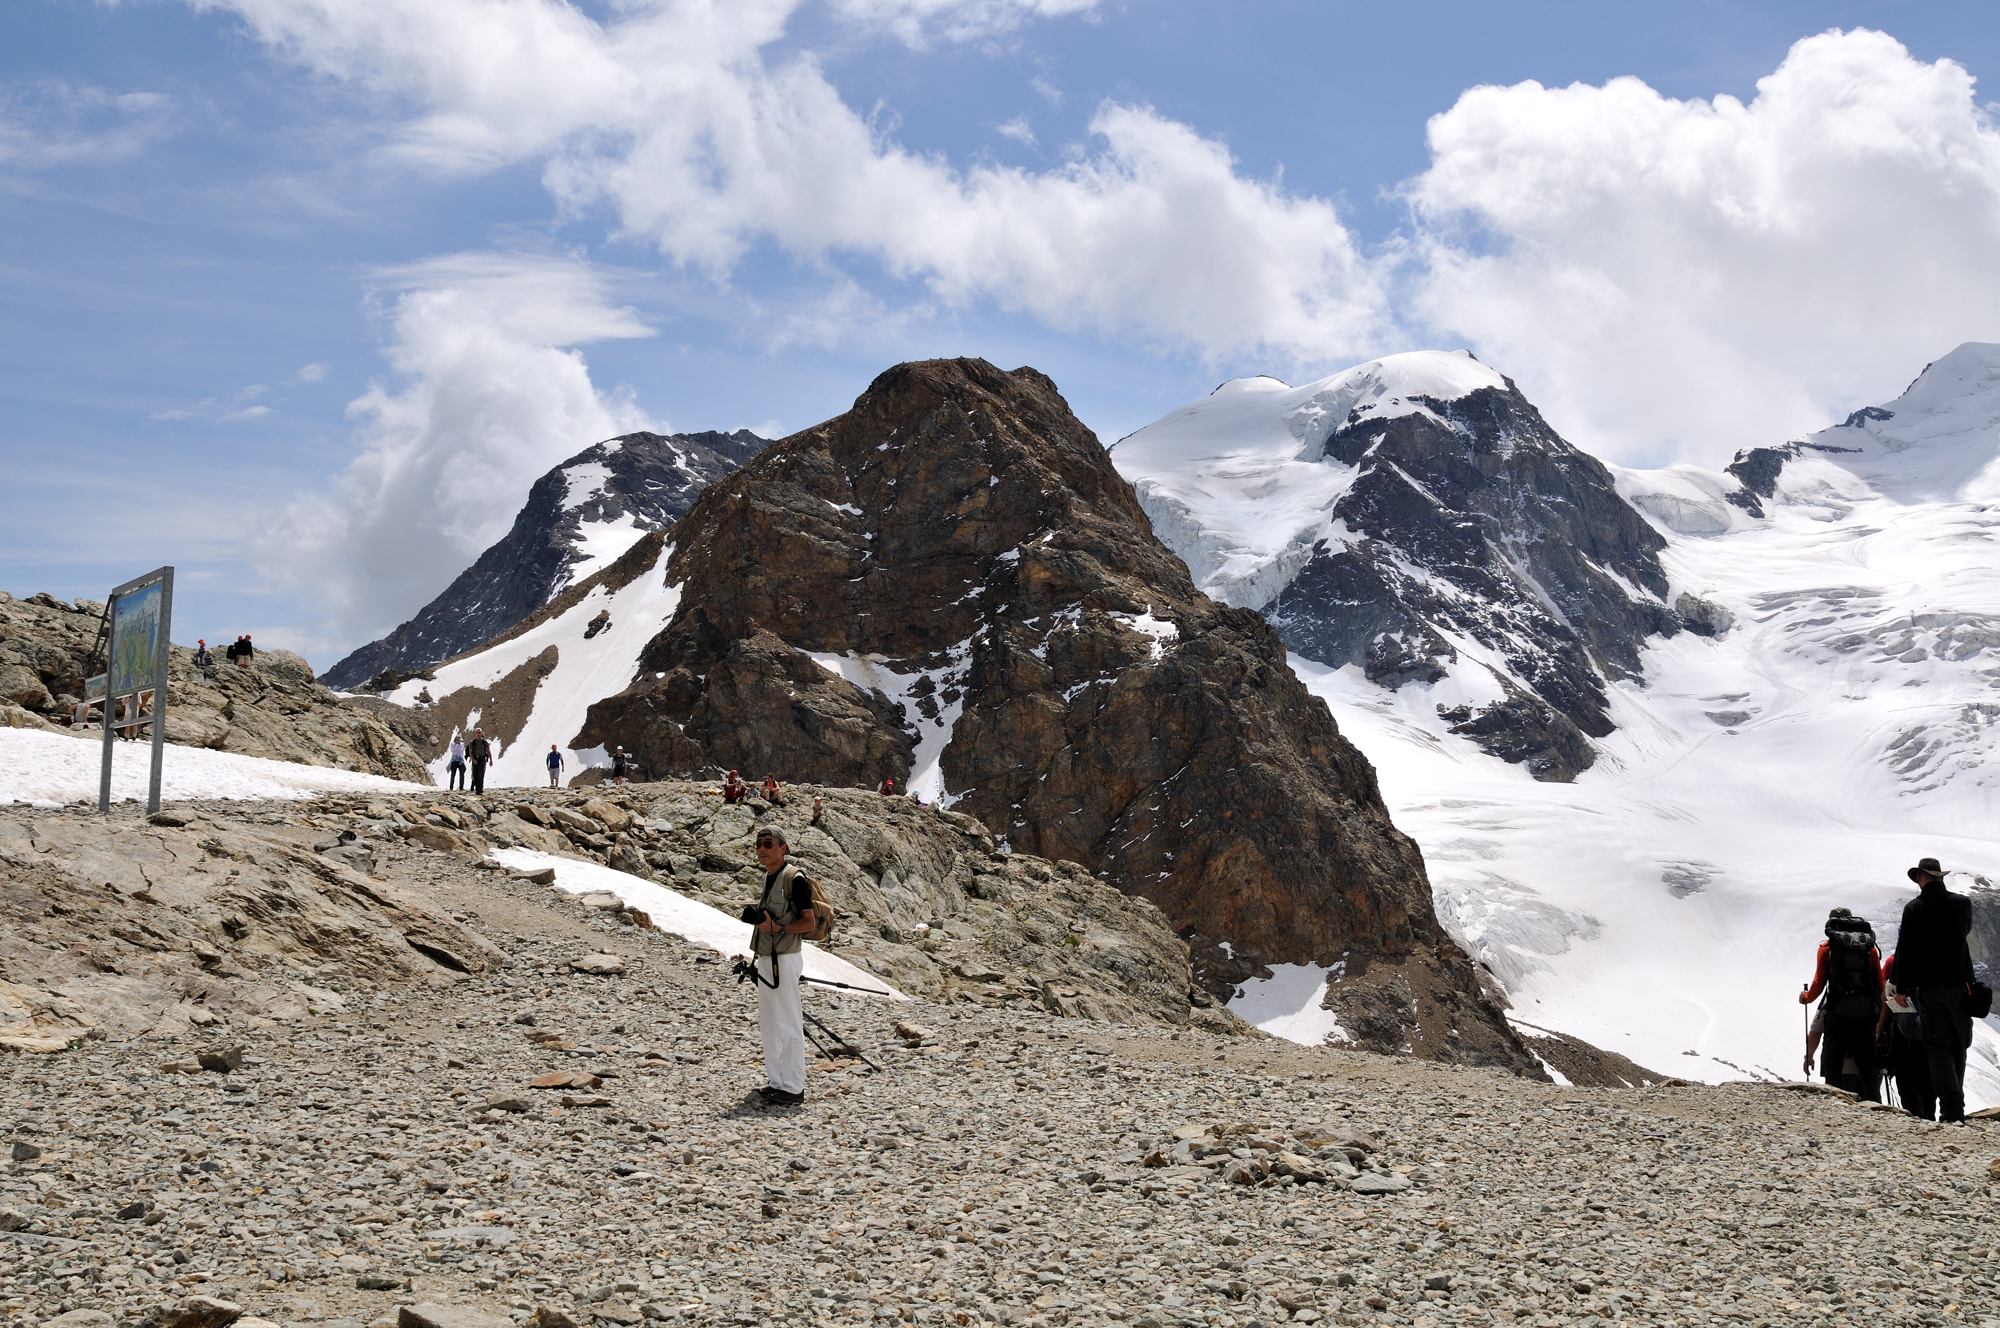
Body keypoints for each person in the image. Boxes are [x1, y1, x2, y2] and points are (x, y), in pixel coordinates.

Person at [1895, 857, 1975, 1123]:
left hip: (1930, 990)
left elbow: (1905, 950)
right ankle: (1955, 1109)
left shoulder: (1914, 908)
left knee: (1938, 1049)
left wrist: (1901, 988)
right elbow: (1964, 932)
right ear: (1940, 876)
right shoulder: (1962, 903)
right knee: (1959, 1045)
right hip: (1961, 988)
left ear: (1920, 877)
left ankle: (1952, 1109)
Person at [746, 824, 817, 1107]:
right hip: (767, 956)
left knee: (788, 1021)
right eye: (758, 844)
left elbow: (809, 922)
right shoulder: (769, 876)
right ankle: (777, 1082)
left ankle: (794, 1087)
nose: (762, 849)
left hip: (785, 957)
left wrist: (778, 929)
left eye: (768, 844)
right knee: (770, 1023)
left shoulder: (793, 878)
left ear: (783, 848)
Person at [1798, 907, 1883, 1100]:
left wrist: (1806, 998)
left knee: (1832, 1063)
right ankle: (1876, 1105)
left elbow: (1819, 983)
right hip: (1865, 1017)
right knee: (1868, 1065)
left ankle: (1835, 1104)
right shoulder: (1869, 947)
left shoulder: (1827, 948)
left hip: (1837, 1015)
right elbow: (1880, 985)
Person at [1879, 953, 1936, 1119]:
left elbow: (1886, 996)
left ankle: (1913, 1117)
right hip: (1931, 1033)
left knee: (1906, 1077)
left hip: (1903, 1033)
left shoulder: (1893, 961)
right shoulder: (1937, 958)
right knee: (1928, 1078)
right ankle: (1929, 1116)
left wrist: (1879, 1027)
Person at [465, 729, 492, 796]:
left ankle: (479, 790)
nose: (478, 734)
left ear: (481, 733)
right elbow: (470, 752)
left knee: (481, 774)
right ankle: (476, 788)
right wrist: (473, 759)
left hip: (482, 759)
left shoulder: (484, 742)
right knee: (475, 775)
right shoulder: (472, 742)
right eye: (477, 732)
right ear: (475, 733)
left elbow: (488, 751)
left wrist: (491, 760)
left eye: (479, 732)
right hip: (475, 758)